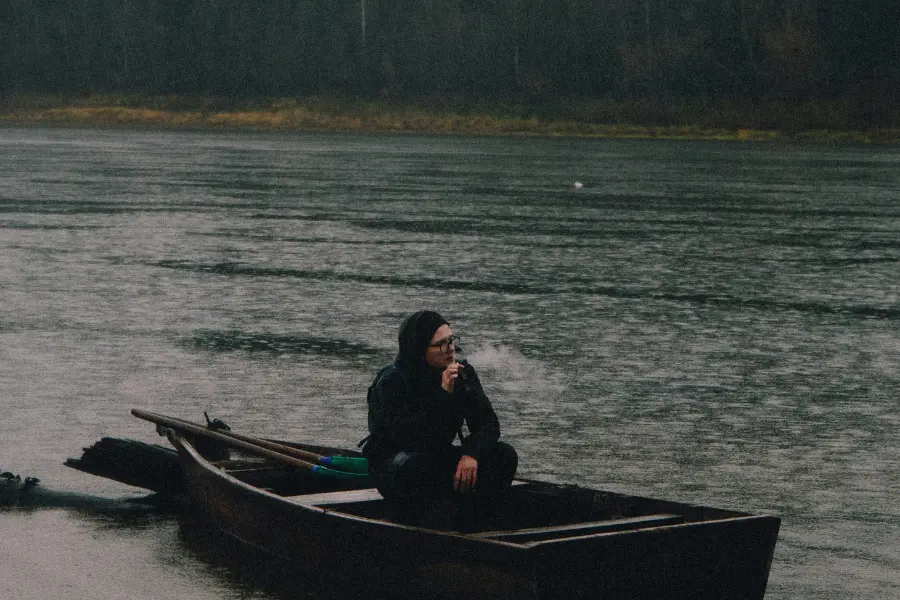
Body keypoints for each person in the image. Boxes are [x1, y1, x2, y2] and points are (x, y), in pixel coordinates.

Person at [361, 310, 517, 529]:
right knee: (415, 468)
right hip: (396, 464)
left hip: (434, 457)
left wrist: (471, 454)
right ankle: (419, 519)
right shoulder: (394, 381)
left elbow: (488, 424)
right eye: (441, 344)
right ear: (420, 349)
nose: (451, 348)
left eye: (451, 340)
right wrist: (444, 395)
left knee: (504, 455)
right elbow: (410, 438)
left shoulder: (461, 373)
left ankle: (476, 520)